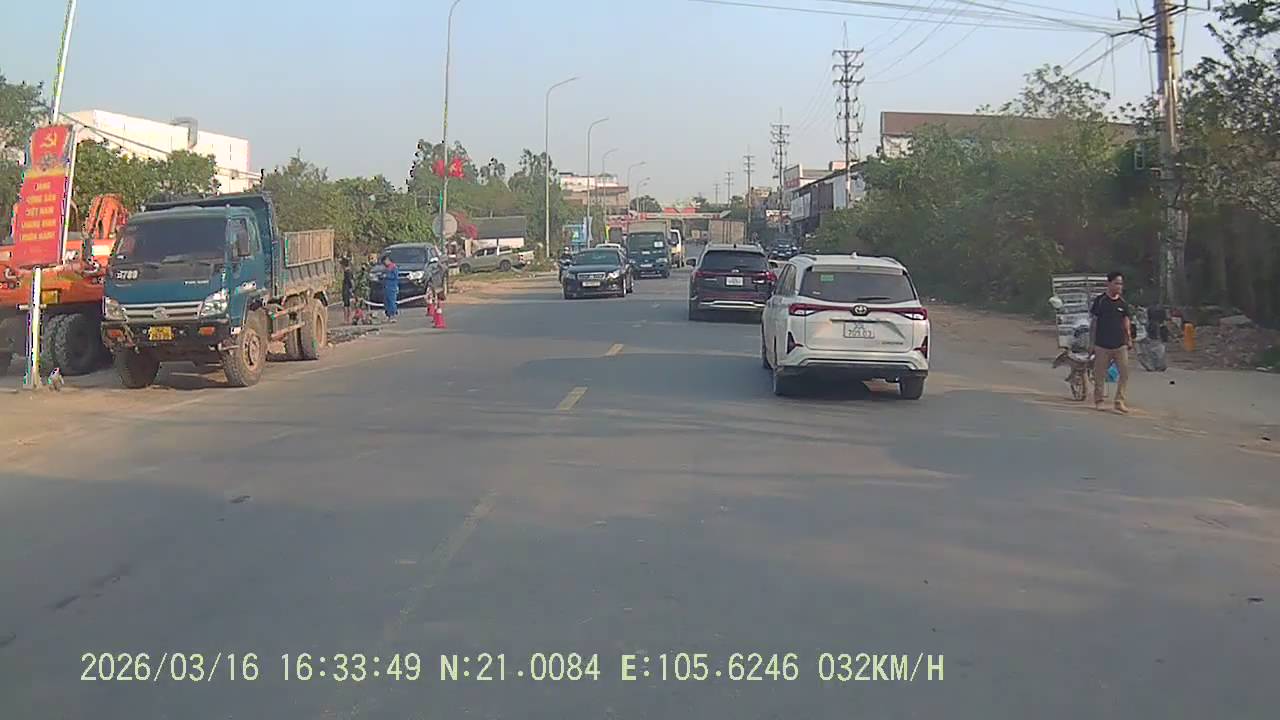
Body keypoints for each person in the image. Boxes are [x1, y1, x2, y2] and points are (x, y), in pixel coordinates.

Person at [1090, 271, 1134, 413]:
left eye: (1121, 284)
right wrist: (1092, 343)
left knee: (1124, 373)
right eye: (1116, 283)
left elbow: (1126, 322)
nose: (1119, 286)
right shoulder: (1100, 301)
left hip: (1120, 344)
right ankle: (1099, 400)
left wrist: (1129, 339)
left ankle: (1119, 401)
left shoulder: (1123, 303)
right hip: (1102, 344)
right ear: (1108, 284)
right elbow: (1094, 322)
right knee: (1099, 374)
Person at [381, 255, 399, 322]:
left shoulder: (394, 267)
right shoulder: (386, 268)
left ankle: (393, 315)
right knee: (386, 302)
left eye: (385, 261)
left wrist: (387, 276)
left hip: (392, 287)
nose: (384, 263)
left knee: (392, 301)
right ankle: (387, 315)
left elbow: (395, 277)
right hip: (385, 287)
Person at [339, 256, 355, 325]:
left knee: (346, 305)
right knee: (348, 305)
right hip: (348, 289)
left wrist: (351, 289)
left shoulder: (347, 272)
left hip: (346, 289)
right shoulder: (350, 271)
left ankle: (347, 320)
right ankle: (348, 319)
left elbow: (350, 281)